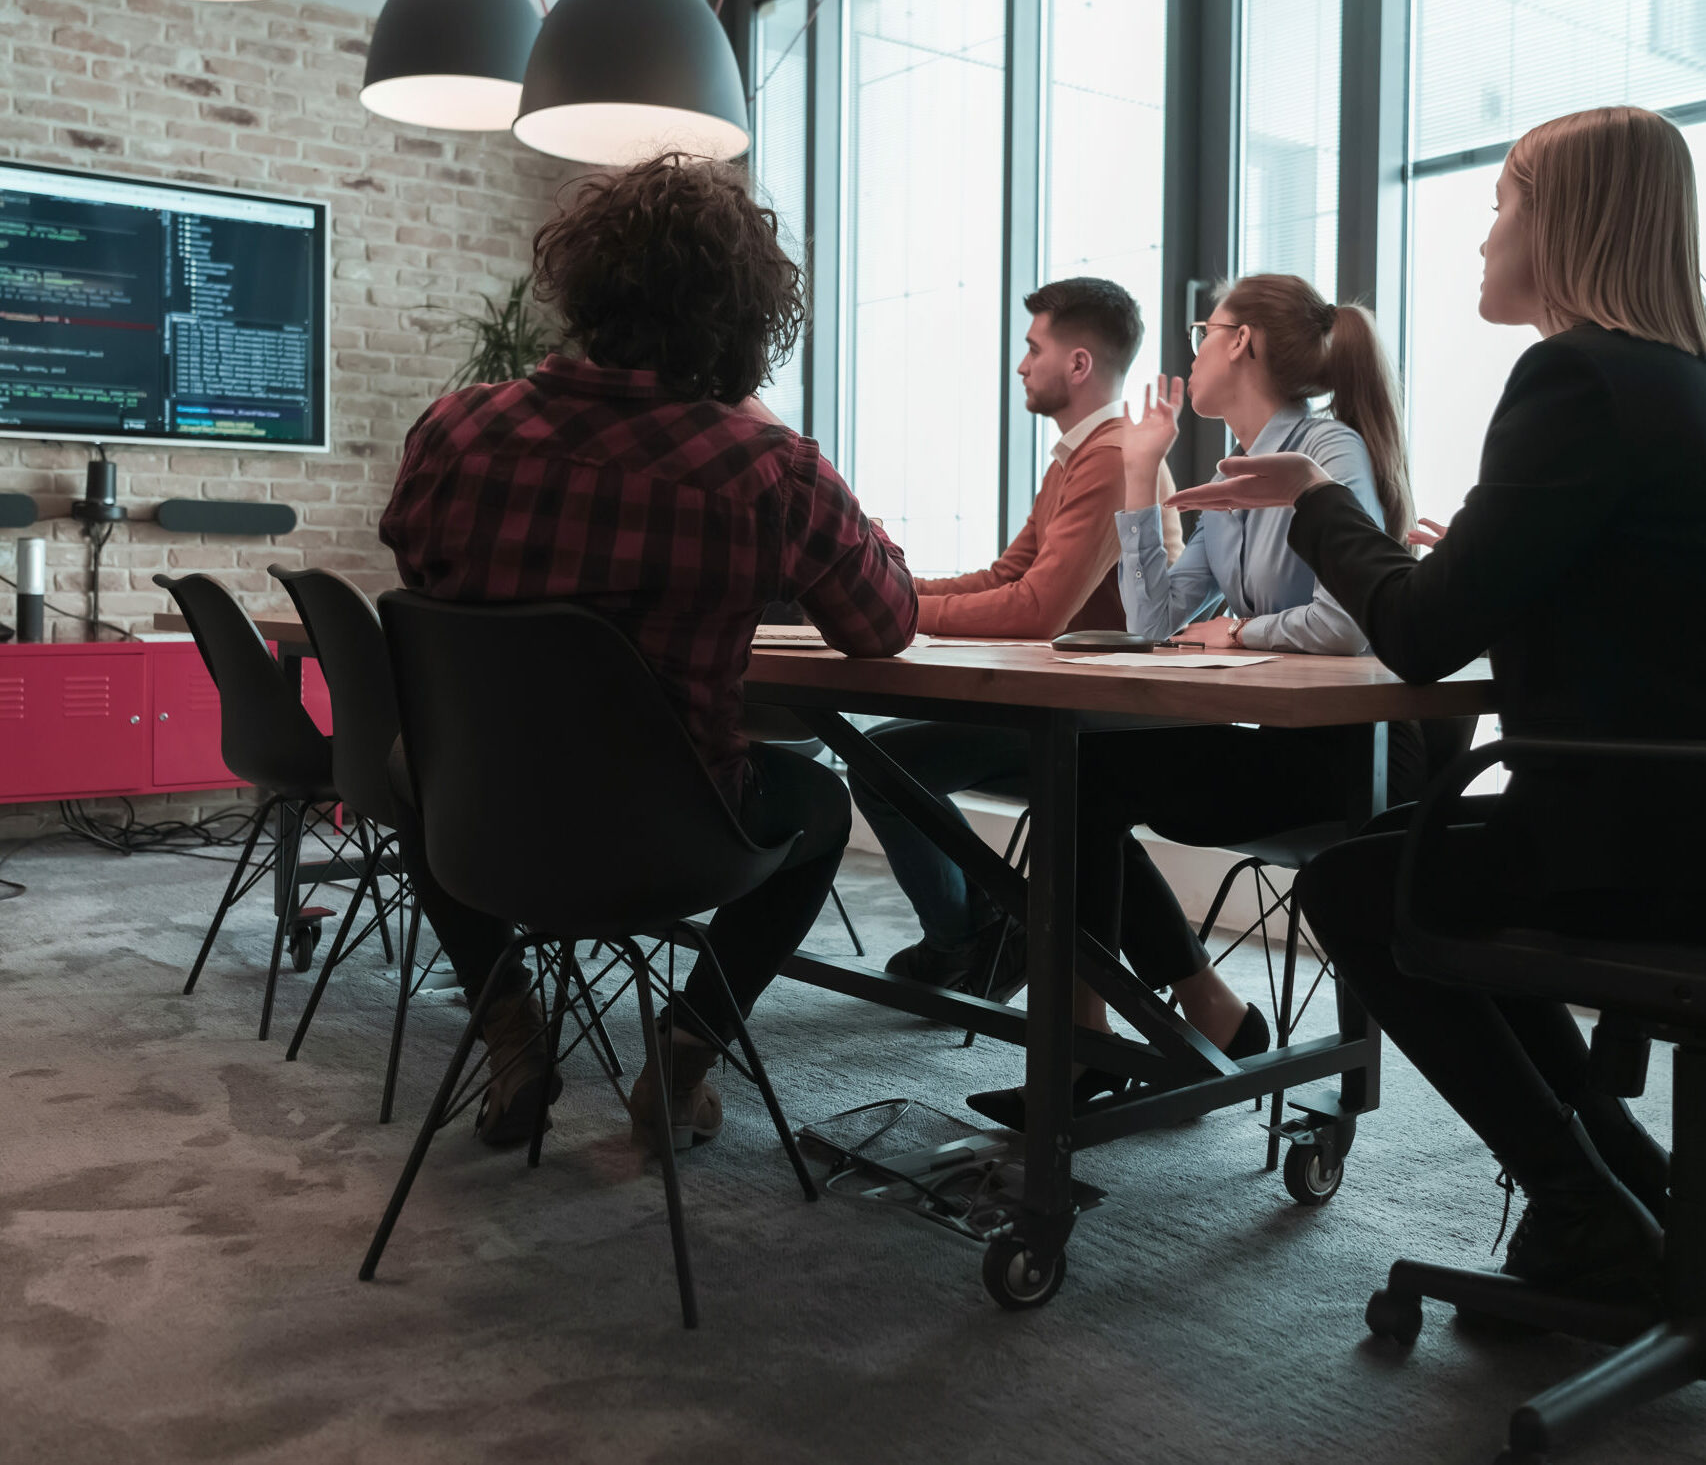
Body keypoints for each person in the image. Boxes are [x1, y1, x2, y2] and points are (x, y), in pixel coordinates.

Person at [1164, 104, 1706, 1303]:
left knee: (1360, 882)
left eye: (1501, 203)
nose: (1482, 236)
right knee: (1416, 863)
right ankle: (1624, 1177)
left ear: (1562, 222)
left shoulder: (1571, 377)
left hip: (1623, 841)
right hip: (1673, 824)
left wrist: (1312, 497)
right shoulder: (1676, 386)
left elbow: (1411, 635)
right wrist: (1478, 557)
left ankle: (1582, 1202)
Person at [380, 153, 917, 1153]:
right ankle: (683, 1048)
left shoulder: (451, 433)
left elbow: (421, 568)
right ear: (746, 316)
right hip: (673, 837)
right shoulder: (767, 469)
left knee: (415, 766)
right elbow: (883, 624)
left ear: (581, 284)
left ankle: (509, 1030)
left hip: (485, 820)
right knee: (819, 804)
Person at [967, 271, 1421, 1128]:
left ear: (1240, 343)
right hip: (1282, 744)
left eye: (1202, 332)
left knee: (1088, 779)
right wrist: (1142, 475)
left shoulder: (1329, 455)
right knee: (1082, 772)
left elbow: (1348, 623)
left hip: (1350, 759)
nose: (1192, 350)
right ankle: (1106, 1038)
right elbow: (1157, 621)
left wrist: (1241, 633)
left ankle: (1092, 1050)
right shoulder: (1234, 480)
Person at [848, 278, 1182, 993]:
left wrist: (899, 613)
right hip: (1067, 701)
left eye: (1034, 348)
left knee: (882, 764)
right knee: (883, 760)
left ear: (1080, 364)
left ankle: (967, 939)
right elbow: (1009, 573)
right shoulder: (1075, 455)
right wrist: (893, 586)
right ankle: (982, 935)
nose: (1022, 364)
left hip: (1108, 718)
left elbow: (1034, 611)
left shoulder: (1110, 454)